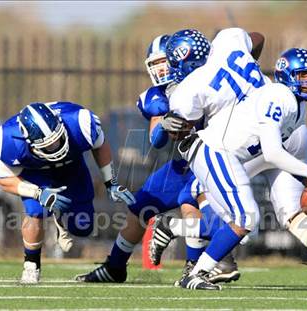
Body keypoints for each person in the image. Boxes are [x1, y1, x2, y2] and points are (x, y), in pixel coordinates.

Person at [149, 40, 307, 290]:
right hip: (223, 150)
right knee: (243, 220)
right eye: (303, 76)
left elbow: (274, 149)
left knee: (253, 218)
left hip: (250, 147)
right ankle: (188, 245)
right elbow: (273, 152)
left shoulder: (294, 104)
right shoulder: (276, 94)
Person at [76, 32, 240, 285]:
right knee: (140, 206)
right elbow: (156, 139)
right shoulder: (158, 95)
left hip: (215, 157)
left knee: (192, 199)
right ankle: (114, 267)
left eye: (165, 61)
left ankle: (200, 265)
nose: (162, 69)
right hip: (186, 161)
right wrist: (164, 124)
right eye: (156, 64)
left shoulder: (209, 81)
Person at [0, 101, 135, 284]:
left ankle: (61, 219)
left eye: (57, 140)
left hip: (71, 169)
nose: (56, 147)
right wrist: (37, 193)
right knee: (36, 212)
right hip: (36, 174)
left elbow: (100, 145)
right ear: (28, 141)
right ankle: (31, 265)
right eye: (48, 146)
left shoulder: (78, 121)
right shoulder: (10, 139)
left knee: (83, 227)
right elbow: (4, 180)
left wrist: (110, 182)